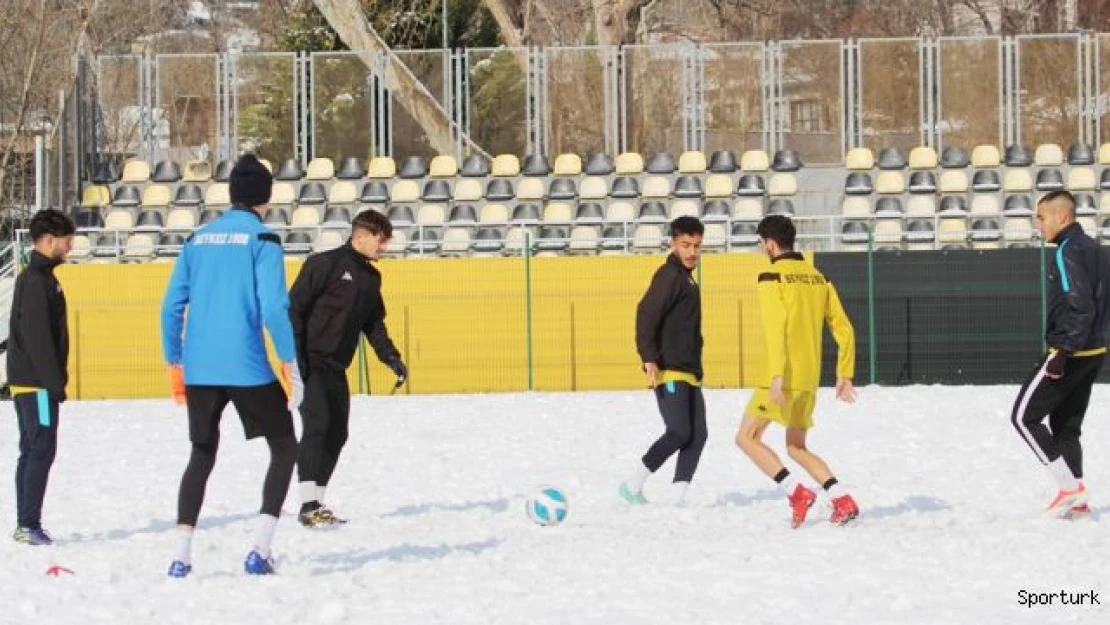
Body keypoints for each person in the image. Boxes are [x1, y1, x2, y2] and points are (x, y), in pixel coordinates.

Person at [160, 154, 304, 577]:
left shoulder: (197, 239)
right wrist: (289, 359)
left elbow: (171, 307)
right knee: (284, 446)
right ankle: (260, 548)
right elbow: (275, 306)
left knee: (201, 452)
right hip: (246, 364)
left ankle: (181, 555)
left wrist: (175, 361)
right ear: (266, 197)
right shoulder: (263, 240)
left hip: (200, 367)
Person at [735, 215, 859, 528]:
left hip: (781, 376)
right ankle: (842, 498)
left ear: (770, 244)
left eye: (762, 244)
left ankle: (796, 493)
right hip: (808, 379)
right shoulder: (818, 278)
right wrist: (845, 373)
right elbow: (844, 328)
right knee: (796, 447)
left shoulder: (771, 276)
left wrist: (777, 374)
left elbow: (776, 327)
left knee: (746, 438)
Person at [288, 209, 407, 528]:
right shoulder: (323, 264)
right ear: (361, 236)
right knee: (317, 426)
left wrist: (391, 357)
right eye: (381, 241)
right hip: (310, 361)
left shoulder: (371, 277)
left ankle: (317, 503)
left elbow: (373, 324)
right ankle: (307, 504)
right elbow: (294, 310)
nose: (384, 248)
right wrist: (296, 360)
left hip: (336, 366)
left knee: (337, 433)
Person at [1011, 189, 1110, 518]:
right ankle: (1078, 504)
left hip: (1072, 350)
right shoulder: (1095, 249)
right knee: (1066, 427)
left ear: (1062, 217)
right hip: (1095, 349)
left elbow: (1080, 307)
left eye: (1041, 218)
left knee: (1024, 418)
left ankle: (1069, 488)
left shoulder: (1066, 252)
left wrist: (1062, 353)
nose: (1038, 225)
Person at [619, 216, 707, 506]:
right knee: (679, 432)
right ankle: (632, 486)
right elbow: (646, 313)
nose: (692, 251)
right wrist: (649, 358)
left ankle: (677, 497)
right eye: (686, 245)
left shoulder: (686, 279)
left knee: (698, 435)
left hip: (689, 370)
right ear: (673, 244)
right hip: (670, 370)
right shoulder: (669, 275)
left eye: (696, 245)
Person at [7, 209, 75, 545]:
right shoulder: (36, 280)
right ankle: (28, 525)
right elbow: (37, 338)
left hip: (31, 383)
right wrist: (54, 385)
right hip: (36, 385)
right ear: (49, 240)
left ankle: (26, 523)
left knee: (32, 449)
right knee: (41, 448)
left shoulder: (39, 276)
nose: (70, 247)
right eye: (66, 241)